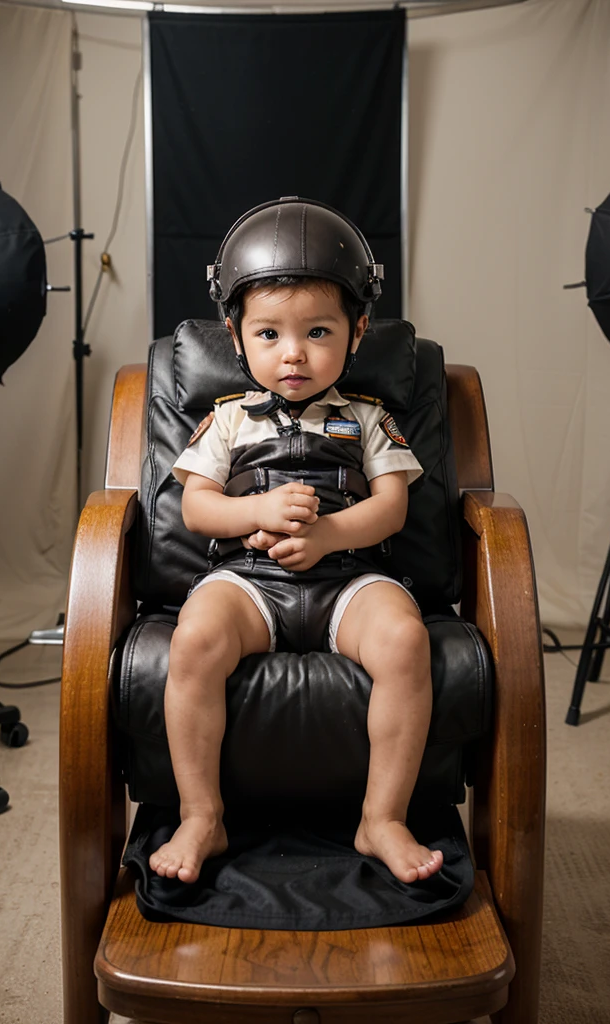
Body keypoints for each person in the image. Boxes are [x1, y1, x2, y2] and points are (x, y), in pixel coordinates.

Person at [149, 198, 443, 887]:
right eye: (270, 335)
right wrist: (256, 508)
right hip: (251, 580)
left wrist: (331, 535)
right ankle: (201, 815)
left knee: (405, 641)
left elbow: (393, 507)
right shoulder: (226, 421)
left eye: (317, 332)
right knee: (192, 640)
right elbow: (196, 507)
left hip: (348, 581)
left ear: (357, 331)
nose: (294, 354)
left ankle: (382, 818)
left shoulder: (367, 417)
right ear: (235, 335)